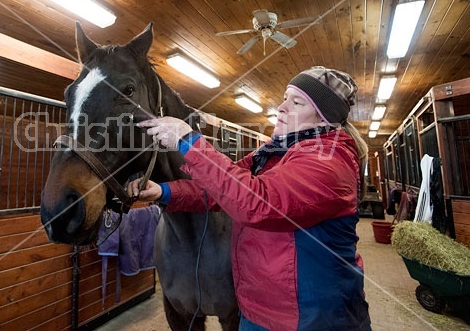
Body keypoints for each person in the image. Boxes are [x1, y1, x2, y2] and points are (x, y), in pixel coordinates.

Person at [128, 66, 372, 331]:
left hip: (309, 317)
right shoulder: (274, 154)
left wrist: (189, 142)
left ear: (325, 119)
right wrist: (164, 191)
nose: (281, 107)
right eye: (285, 97)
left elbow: (257, 203)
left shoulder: (327, 161)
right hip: (262, 308)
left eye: (297, 102)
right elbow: (222, 189)